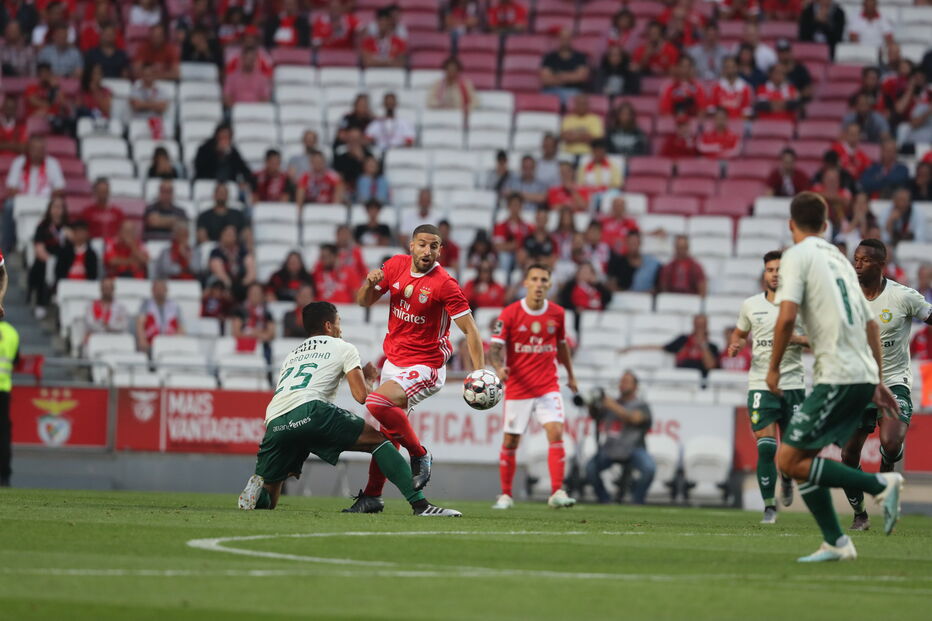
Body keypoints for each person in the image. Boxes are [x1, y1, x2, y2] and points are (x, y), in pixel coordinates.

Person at [768, 191, 903, 562]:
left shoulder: (797, 256)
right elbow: (872, 325)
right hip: (858, 372)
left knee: (789, 460)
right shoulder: (841, 261)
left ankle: (880, 483)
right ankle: (836, 543)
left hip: (839, 374)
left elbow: (786, 317)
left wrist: (774, 367)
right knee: (798, 460)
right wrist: (875, 378)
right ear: (826, 226)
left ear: (791, 225)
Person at [238, 302, 461, 516]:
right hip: (311, 410)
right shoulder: (342, 347)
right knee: (379, 441)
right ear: (328, 326)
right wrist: (369, 379)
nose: (341, 328)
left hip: (275, 420)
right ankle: (420, 505)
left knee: (270, 498)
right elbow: (362, 396)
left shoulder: (292, 355)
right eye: (339, 322)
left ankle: (256, 494)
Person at [344, 224, 485, 513]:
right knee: (385, 433)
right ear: (411, 245)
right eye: (422, 244)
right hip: (393, 363)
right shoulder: (394, 266)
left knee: (377, 401)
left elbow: (470, 331)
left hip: (426, 366)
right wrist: (369, 284)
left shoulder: (445, 284)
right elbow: (363, 301)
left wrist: (479, 372)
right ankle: (373, 496)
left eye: (434, 246)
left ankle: (419, 454)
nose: (427, 251)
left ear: (440, 250)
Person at [838, 239, 932, 531]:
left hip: (893, 383)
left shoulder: (903, 297)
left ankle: (887, 474)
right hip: (858, 383)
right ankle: (860, 515)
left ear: (880, 265)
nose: (857, 264)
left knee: (891, 442)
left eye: (864, 260)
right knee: (848, 454)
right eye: (855, 259)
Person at [728, 251, 809, 524]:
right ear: (764, 273)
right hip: (761, 384)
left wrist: (794, 338)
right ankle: (769, 506)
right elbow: (740, 332)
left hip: (793, 384)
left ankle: (786, 477)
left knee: (789, 451)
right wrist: (736, 343)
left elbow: (818, 339)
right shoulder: (750, 305)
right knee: (765, 447)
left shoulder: (799, 306)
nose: (774, 274)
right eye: (770, 269)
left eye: (779, 269)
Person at [489, 263, 578, 509]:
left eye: (543, 280)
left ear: (549, 285)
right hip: (518, 387)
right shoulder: (509, 313)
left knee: (556, 432)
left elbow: (561, 346)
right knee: (510, 441)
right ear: (526, 283)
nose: (539, 284)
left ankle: (557, 492)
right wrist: (498, 368)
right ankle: (506, 494)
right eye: (534, 279)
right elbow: (494, 349)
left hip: (548, 385)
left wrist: (570, 375)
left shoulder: (558, 314)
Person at [585, 371, 655, 505]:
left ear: (635, 386)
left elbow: (634, 418)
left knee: (649, 469)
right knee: (590, 469)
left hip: (634, 448)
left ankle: (637, 500)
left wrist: (612, 405)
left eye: (627, 381)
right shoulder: (610, 404)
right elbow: (595, 416)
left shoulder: (641, 405)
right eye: (621, 381)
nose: (623, 384)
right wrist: (591, 403)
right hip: (611, 448)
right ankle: (605, 500)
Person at [29, 196, 69, 312]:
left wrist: (70, 235)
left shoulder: (68, 227)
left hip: (63, 260)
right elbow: (39, 248)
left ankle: (58, 294)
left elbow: (73, 247)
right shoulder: (42, 227)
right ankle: (41, 302)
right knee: (42, 267)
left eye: (60, 207)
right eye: (55, 207)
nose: (57, 210)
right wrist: (52, 261)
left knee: (65, 266)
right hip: (46, 259)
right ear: (50, 209)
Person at [194, 123, 255, 188]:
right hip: (208, 185)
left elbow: (245, 170)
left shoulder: (233, 152)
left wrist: (244, 181)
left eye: (227, 138)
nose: (224, 141)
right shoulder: (205, 149)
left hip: (227, 187)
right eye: (221, 137)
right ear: (216, 137)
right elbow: (199, 168)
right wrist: (216, 153)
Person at [540, 28, 591, 103]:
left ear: (571, 39)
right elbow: (545, 79)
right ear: (559, 39)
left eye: (567, 38)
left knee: (578, 99)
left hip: (573, 91)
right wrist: (570, 77)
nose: (565, 40)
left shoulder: (580, 57)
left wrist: (559, 76)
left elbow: (582, 77)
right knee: (543, 99)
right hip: (552, 91)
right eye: (563, 38)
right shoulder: (549, 57)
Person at [136, 279, 184, 354]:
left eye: (162, 288)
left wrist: (177, 342)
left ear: (166, 290)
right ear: (152, 290)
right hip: (150, 344)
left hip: (170, 343)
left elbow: (181, 327)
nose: (160, 291)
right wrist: (142, 340)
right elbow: (140, 324)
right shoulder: (146, 304)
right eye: (157, 289)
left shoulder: (174, 306)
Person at [209, 224, 255, 300]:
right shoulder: (216, 252)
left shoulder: (243, 252)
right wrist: (230, 286)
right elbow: (219, 272)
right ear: (222, 236)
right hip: (224, 285)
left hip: (242, 286)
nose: (230, 237)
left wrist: (242, 285)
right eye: (228, 234)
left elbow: (251, 272)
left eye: (232, 234)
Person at [232, 282, 276, 362]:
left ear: (262, 296)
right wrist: (255, 335)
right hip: (244, 345)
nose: (255, 296)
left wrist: (254, 333)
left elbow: (271, 334)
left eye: (258, 293)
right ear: (248, 294)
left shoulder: (267, 313)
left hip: (262, 347)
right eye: (253, 293)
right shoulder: (240, 311)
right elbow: (236, 332)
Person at [0, 316, 18, 486]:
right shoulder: (11, 333)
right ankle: (4, 476)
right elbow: (16, 360)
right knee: (3, 435)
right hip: (3, 390)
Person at [129, 63, 169, 138]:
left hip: (157, 124)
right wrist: (154, 104)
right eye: (146, 75)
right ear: (142, 75)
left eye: (150, 74)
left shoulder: (161, 90)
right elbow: (136, 105)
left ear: (154, 75)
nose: (148, 77)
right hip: (139, 123)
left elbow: (162, 107)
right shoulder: (135, 88)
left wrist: (143, 104)